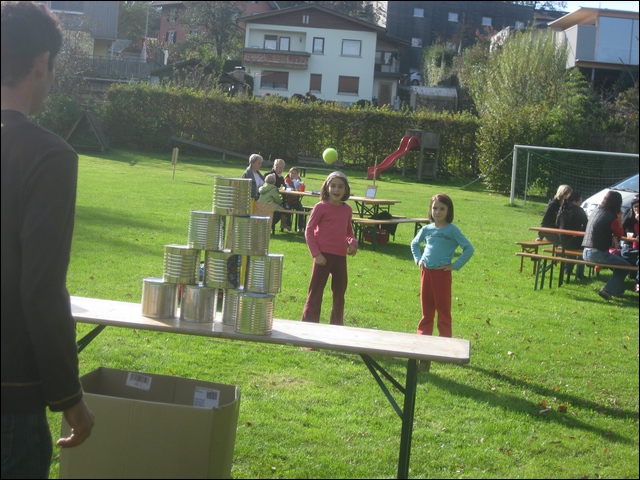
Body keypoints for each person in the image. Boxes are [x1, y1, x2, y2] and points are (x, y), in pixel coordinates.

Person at [1, 2, 95, 478]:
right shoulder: (48, 156)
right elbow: (40, 290)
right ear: (41, 64)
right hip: (11, 400)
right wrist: (69, 397)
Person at [410, 194, 474, 372]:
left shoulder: (452, 231)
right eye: (435, 208)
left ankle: (445, 347)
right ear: (430, 210)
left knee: (443, 310)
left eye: (442, 209)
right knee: (427, 310)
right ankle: (423, 344)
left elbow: (468, 248)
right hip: (426, 272)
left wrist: (455, 265)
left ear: (448, 211)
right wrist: (418, 259)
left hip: (442, 275)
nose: (438, 212)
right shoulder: (427, 229)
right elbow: (414, 244)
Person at [302, 171, 358, 325]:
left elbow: (348, 231)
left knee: (339, 295)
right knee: (315, 294)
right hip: (322, 257)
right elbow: (309, 231)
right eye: (333, 186)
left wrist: (353, 242)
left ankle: (337, 327)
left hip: (340, 257)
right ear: (326, 188)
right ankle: (308, 328)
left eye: (340, 186)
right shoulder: (320, 207)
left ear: (345, 190)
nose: (336, 190)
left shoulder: (347, 209)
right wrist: (316, 254)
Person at [582, 190, 631, 301]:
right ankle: (607, 290)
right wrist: (619, 217)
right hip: (598, 253)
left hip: (586, 251)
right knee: (626, 266)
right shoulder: (612, 217)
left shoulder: (596, 211)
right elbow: (620, 234)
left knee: (620, 265)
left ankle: (617, 291)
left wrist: (611, 236)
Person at [555, 191, 588, 279]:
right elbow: (586, 226)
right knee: (583, 245)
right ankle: (580, 273)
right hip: (573, 241)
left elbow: (557, 223)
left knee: (573, 243)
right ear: (575, 201)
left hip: (562, 241)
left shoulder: (563, 209)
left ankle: (568, 269)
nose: (581, 204)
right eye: (580, 201)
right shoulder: (579, 210)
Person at [620, 195, 639, 292]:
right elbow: (621, 230)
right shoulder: (629, 216)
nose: (637, 209)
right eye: (635, 207)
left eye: (639, 207)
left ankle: (637, 282)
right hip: (628, 246)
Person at [266, 158, 290, 229]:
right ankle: (271, 225)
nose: (278, 169)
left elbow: (283, 187)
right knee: (283, 208)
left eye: (280, 168)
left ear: (283, 168)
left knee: (288, 206)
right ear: (273, 166)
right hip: (269, 199)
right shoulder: (269, 175)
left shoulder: (281, 178)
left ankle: (284, 224)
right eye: (277, 167)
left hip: (278, 198)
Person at [284, 167, 306, 231]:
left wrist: (301, 184)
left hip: (296, 200)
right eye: (292, 173)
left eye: (295, 173)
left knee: (301, 210)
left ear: (297, 174)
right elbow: (288, 188)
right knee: (288, 209)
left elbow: (300, 189)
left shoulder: (299, 180)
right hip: (288, 200)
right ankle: (288, 225)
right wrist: (295, 182)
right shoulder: (287, 180)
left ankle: (300, 227)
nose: (293, 174)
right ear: (289, 173)